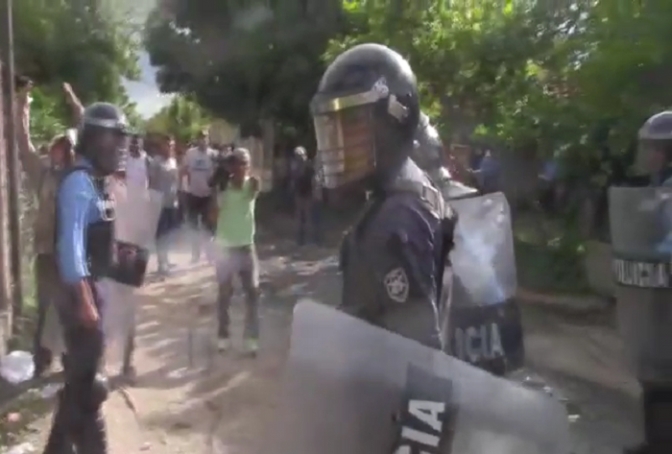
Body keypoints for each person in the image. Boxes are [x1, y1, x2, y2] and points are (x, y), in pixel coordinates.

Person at [312, 43, 456, 350]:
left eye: (351, 124)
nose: (338, 141)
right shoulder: (411, 186)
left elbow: (421, 363)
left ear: (393, 121)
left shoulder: (395, 224)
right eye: (333, 127)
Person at [43, 102, 128, 454]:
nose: (121, 146)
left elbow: (95, 236)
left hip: (91, 291)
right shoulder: (78, 183)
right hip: (81, 297)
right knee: (89, 388)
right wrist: (85, 301)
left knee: (80, 388)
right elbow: (70, 249)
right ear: (95, 139)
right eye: (115, 138)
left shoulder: (95, 182)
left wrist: (118, 257)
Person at [15, 81, 82, 378]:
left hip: (70, 255)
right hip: (46, 253)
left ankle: (71, 361)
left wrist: (72, 101)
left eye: (66, 147)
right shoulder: (43, 174)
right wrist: (22, 107)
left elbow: (86, 131)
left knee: (70, 309)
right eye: (59, 146)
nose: (62, 151)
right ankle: (42, 360)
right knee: (45, 308)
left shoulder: (78, 174)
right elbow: (23, 143)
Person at [211, 148, 261, 355]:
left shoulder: (252, 185)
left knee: (253, 293)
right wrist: (218, 192)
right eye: (237, 164)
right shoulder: (224, 189)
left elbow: (257, 186)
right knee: (224, 295)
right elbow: (212, 216)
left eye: (245, 163)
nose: (241, 167)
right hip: (225, 249)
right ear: (231, 167)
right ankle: (223, 336)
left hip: (246, 247)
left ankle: (251, 340)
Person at [180, 130, 216, 263]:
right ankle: (195, 255)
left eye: (205, 137)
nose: (203, 140)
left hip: (208, 196)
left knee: (208, 228)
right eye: (201, 138)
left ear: (208, 139)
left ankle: (210, 255)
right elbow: (183, 171)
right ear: (197, 139)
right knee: (193, 226)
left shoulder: (213, 155)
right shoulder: (190, 154)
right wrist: (181, 189)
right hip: (192, 194)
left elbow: (217, 175)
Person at [153, 135, 179, 276]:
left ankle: (166, 259)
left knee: (169, 234)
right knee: (161, 234)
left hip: (172, 202)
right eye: (167, 145)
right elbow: (151, 182)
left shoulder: (173, 161)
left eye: (171, 145)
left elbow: (176, 182)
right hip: (160, 203)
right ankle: (161, 263)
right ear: (161, 146)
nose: (169, 148)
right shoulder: (156, 162)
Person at [293, 146, 320, 245]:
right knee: (301, 219)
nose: (299, 158)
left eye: (300, 156)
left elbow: (314, 181)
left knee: (309, 219)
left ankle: (314, 240)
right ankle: (301, 240)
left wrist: (315, 193)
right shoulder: (296, 167)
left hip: (308, 195)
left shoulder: (309, 166)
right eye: (297, 156)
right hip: (300, 195)